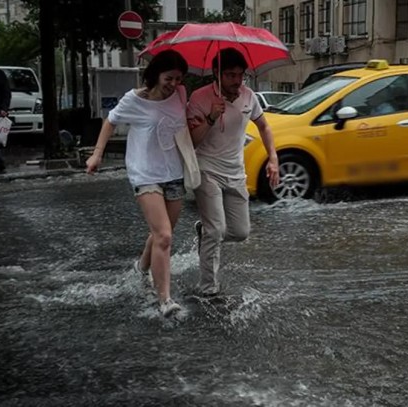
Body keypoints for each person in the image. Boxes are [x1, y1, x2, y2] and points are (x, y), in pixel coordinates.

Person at [85, 50, 189, 317]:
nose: (174, 84)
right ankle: (165, 300)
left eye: (178, 79)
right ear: (155, 74)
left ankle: (141, 269)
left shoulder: (180, 94)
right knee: (164, 236)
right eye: (169, 78)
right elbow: (110, 122)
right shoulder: (135, 99)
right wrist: (97, 154)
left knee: (160, 235)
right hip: (145, 175)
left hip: (174, 172)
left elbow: (180, 125)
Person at [187, 48, 280, 298]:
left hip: (235, 172)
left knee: (240, 232)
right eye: (230, 75)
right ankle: (208, 289)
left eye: (241, 75)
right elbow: (191, 141)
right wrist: (211, 116)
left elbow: (264, 126)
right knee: (216, 230)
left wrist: (273, 158)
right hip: (206, 169)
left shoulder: (249, 97)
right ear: (217, 75)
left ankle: (205, 232)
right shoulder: (199, 98)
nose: (237, 81)